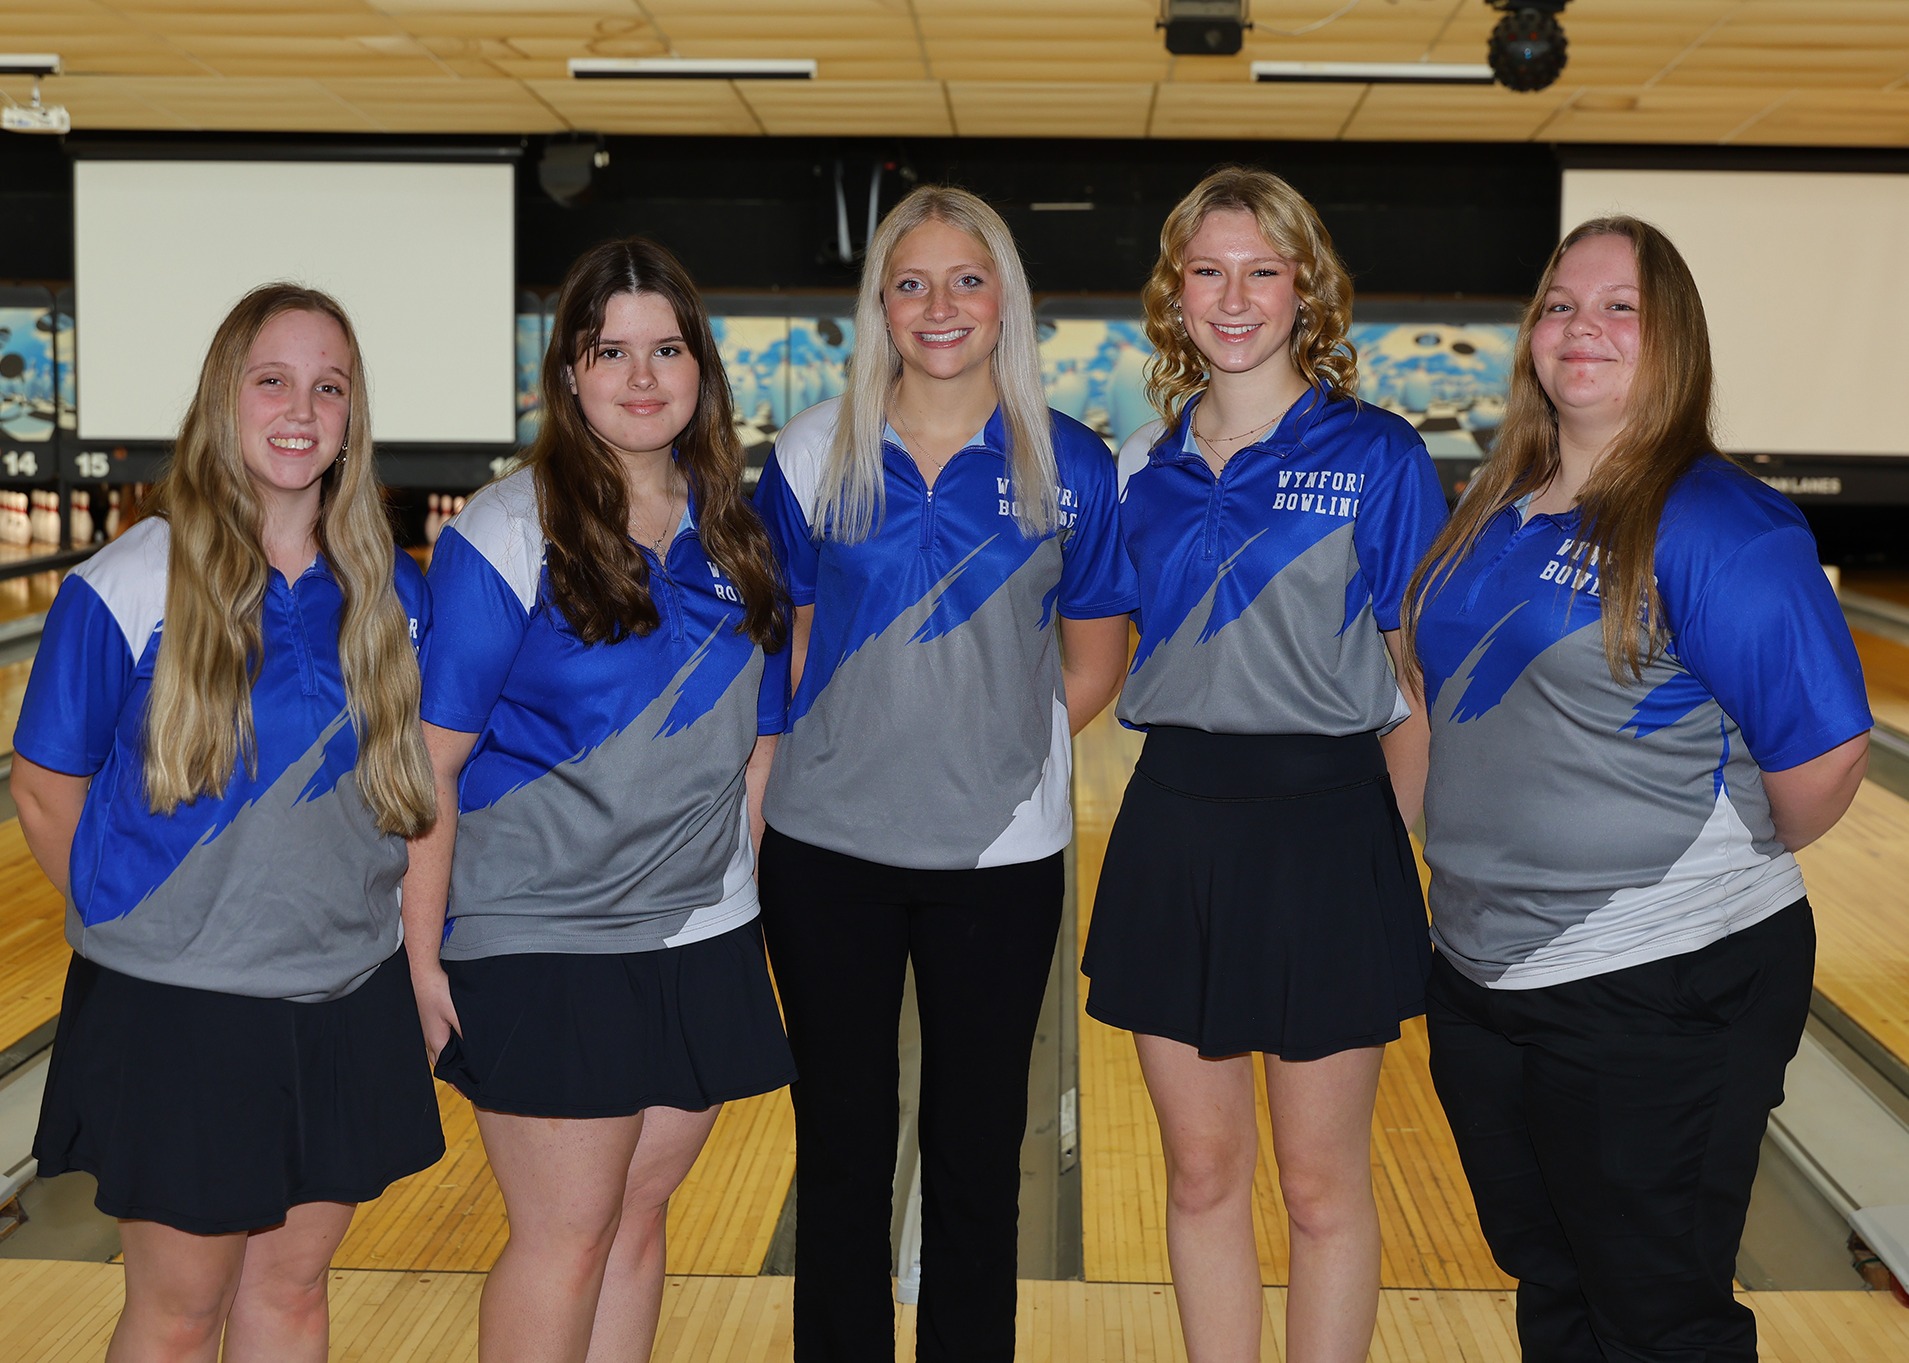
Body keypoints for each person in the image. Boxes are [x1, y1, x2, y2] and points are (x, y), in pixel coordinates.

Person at [1403, 217, 1872, 1362]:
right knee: (1554, 1280)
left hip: (1659, 978)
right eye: (1561, 304)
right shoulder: (1497, 504)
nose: (1584, 327)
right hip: (1484, 972)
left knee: (1657, 1318)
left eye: (1621, 307)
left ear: (1674, 339)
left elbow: (1824, 761)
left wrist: (1712, 866)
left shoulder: (1718, 523)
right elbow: (1427, 694)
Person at [13, 283, 442, 1363]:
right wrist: (154, 922)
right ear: (224, 396)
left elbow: (417, 792)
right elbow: (45, 786)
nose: (301, 409)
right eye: (272, 380)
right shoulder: (128, 582)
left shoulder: (391, 589)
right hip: (180, 1010)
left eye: (328, 387)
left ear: (351, 416)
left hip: (344, 991)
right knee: (179, 1313)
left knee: (291, 1296)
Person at [752, 185, 1137, 1362]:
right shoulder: (813, 449)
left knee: (977, 1154)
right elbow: (788, 646)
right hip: (826, 854)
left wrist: (996, 747)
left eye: (967, 279)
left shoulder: (1069, 461)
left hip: (999, 861)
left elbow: (1094, 657)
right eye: (910, 282)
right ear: (879, 303)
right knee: (841, 1149)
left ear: (1005, 298)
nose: (939, 305)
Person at [403, 236, 794, 1363]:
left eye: (665, 348)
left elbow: (757, 752)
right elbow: (429, 766)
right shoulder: (506, 531)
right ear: (570, 374)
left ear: (700, 367)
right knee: (567, 1236)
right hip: (543, 937)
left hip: (698, 934)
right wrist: (420, 960)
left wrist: (736, 912)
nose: (641, 376)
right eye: (609, 350)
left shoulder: (738, 530)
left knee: (635, 1218)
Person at [1081, 166, 1446, 1363]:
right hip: (1175, 823)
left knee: (1319, 1183)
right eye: (1208, 271)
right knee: (1200, 1172)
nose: (1233, 298)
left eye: (1261, 271)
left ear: (1305, 288)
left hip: (1325, 830)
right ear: (1175, 290)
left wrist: (1381, 847)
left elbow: (1417, 679)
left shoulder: (1378, 453)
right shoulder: (1140, 466)